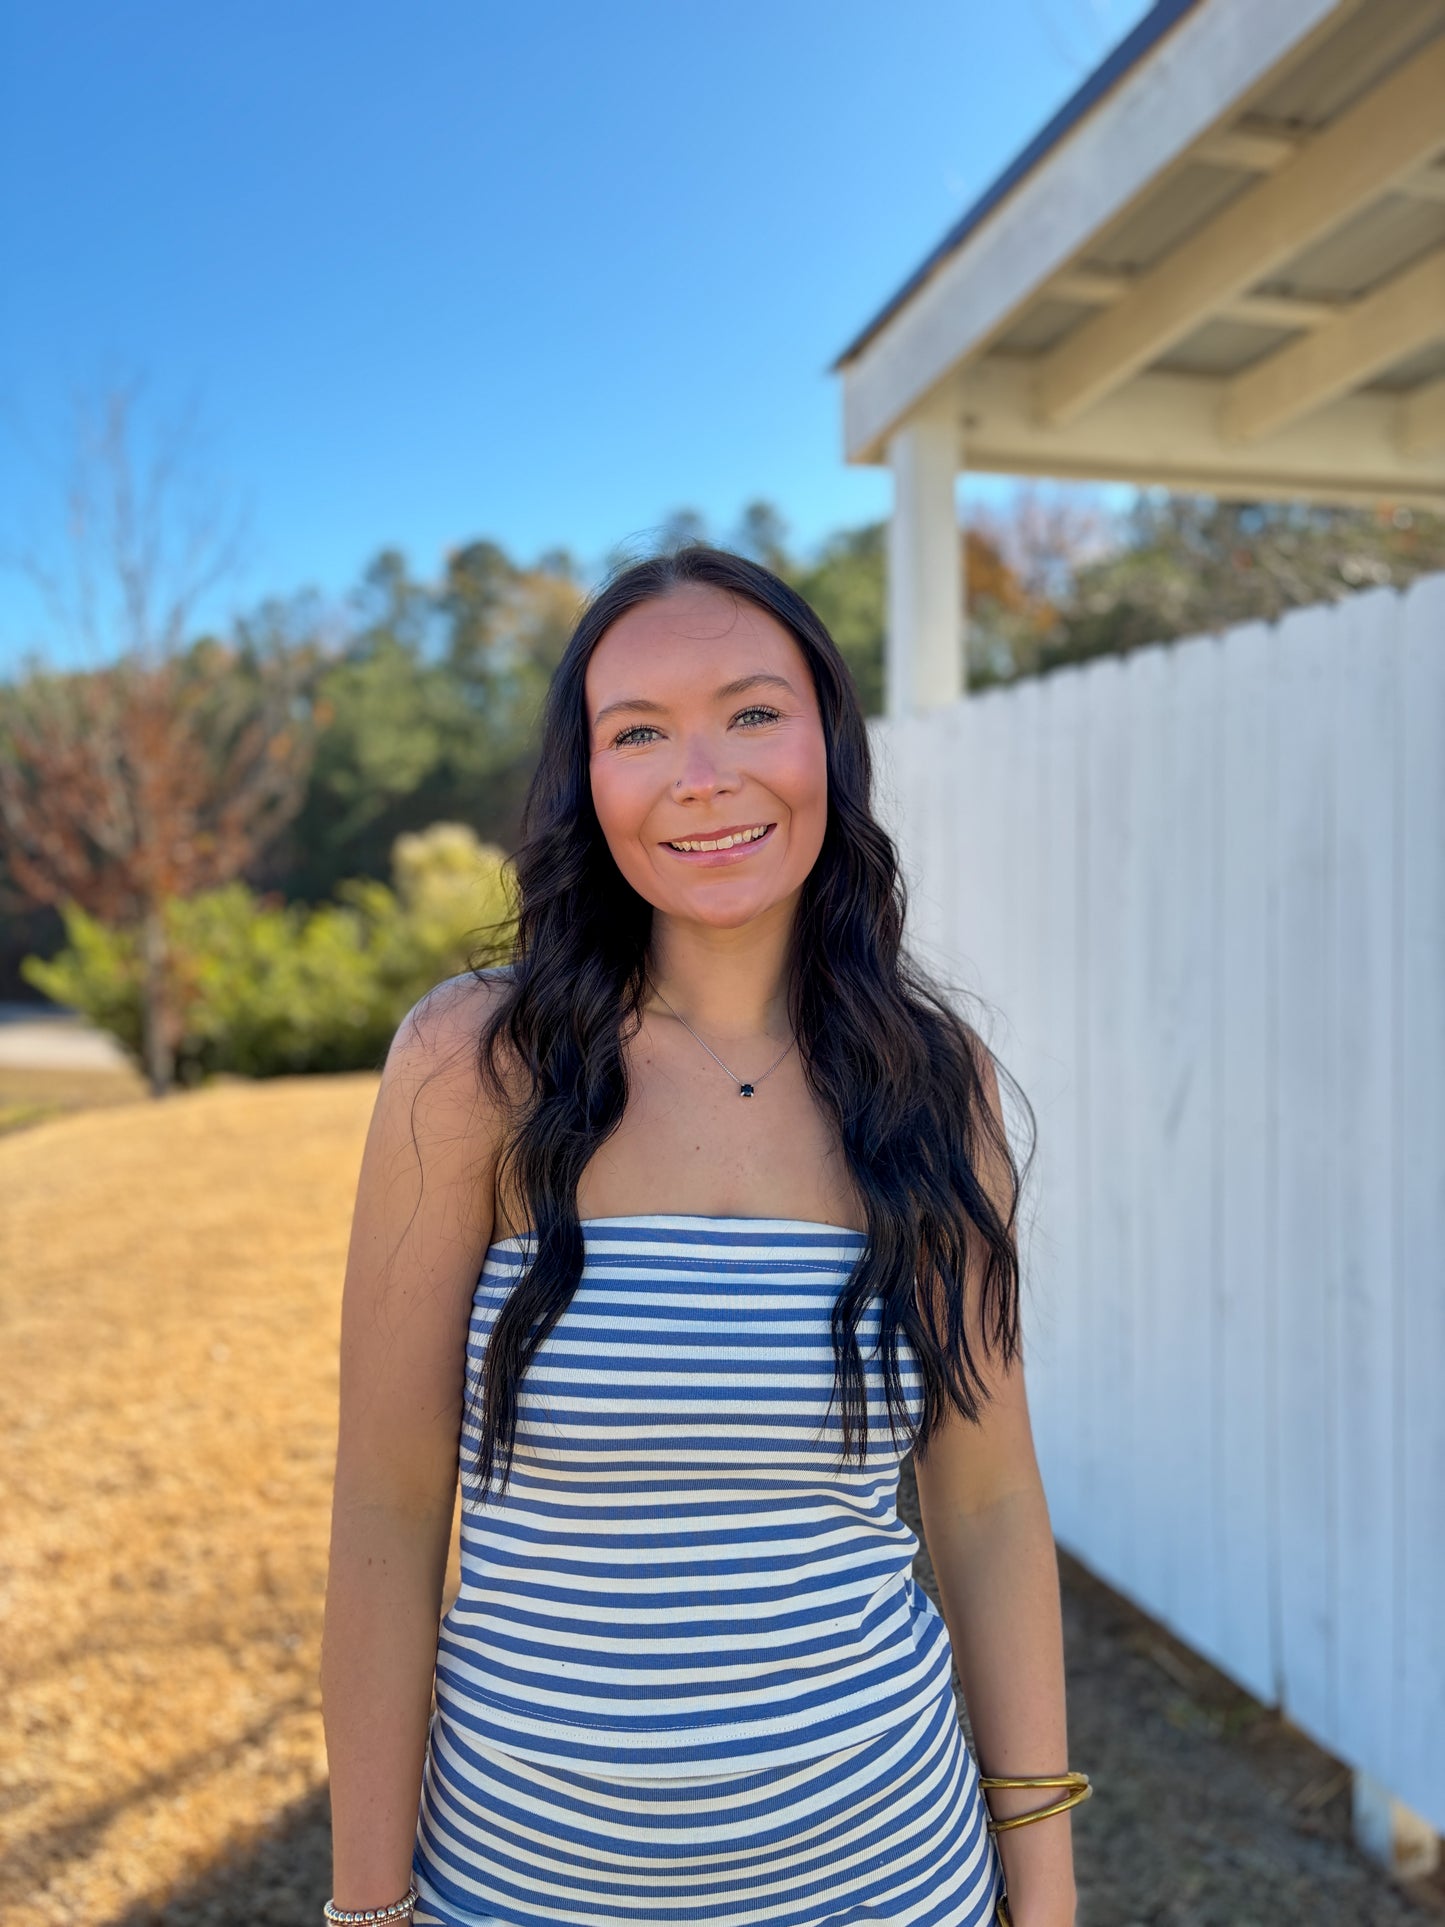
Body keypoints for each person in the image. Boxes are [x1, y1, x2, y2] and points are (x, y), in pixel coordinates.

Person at [320, 545, 1085, 1927]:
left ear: (826, 744)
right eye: (638, 734)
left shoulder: (932, 1083)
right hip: (521, 1892)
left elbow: (985, 1506)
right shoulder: (476, 1065)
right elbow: (386, 1505)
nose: (702, 776)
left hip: (893, 1881)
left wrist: (1043, 1890)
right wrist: (368, 1910)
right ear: (587, 781)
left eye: (751, 713)